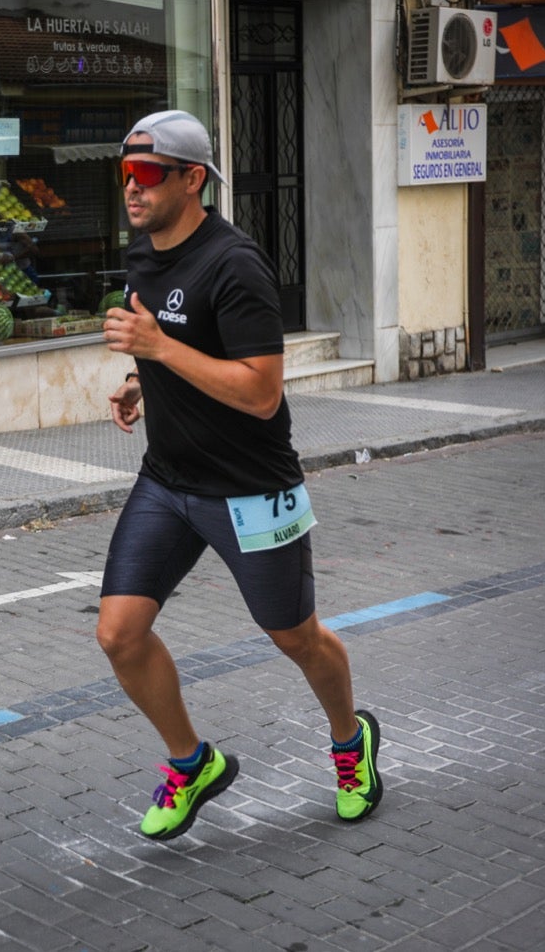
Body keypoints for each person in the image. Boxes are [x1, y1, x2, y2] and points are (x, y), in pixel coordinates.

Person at [98, 109, 382, 840]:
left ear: (193, 180)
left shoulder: (236, 265)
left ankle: (351, 744)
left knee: (296, 637)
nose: (132, 188)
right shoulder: (145, 253)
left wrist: (158, 351)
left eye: (148, 174)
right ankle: (192, 764)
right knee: (119, 634)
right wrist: (143, 379)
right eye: (125, 172)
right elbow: (178, 343)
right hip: (168, 481)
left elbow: (260, 392)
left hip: (252, 490)